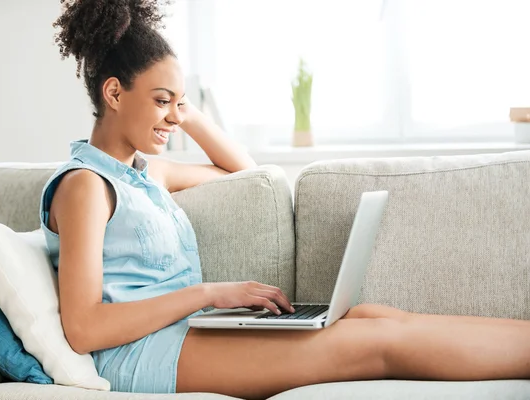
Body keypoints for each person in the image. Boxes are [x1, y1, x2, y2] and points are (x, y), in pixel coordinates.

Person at [45, 1, 530, 398]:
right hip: (145, 355)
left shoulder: (145, 174)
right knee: (377, 342)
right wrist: (213, 293)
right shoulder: (87, 185)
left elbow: (246, 174)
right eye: (160, 100)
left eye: (178, 102)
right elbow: (85, 328)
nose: (172, 116)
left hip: (186, 332)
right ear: (113, 92)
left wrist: (183, 112)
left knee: (371, 316)